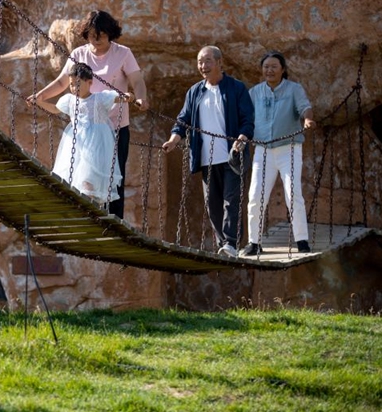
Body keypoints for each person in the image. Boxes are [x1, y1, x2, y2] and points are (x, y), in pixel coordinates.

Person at [28, 10, 149, 218]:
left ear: (110, 34)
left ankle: (113, 221)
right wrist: (39, 96)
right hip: (85, 129)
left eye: (101, 35)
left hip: (115, 125)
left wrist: (141, 98)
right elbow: (62, 82)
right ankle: (85, 216)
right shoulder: (79, 54)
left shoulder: (123, 53)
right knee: (82, 172)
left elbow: (137, 80)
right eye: (92, 35)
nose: (96, 39)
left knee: (113, 174)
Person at [161, 46, 254, 257]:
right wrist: (173, 140)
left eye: (207, 61)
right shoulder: (194, 92)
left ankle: (231, 243)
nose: (203, 66)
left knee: (231, 201)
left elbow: (247, 119)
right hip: (206, 159)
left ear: (220, 62)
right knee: (212, 205)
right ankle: (224, 245)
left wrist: (242, 137)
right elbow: (183, 120)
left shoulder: (236, 88)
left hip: (232, 156)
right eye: (200, 62)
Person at [242, 51, 316, 256]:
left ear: (283, 69)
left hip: (288, 148)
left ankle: (302, 240)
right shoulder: (255, 92)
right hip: (262, 150)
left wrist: (308, 119)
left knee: (293, 194)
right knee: (255, 195)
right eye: (266, 67)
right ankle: (254, 242)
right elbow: (246, 117)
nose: (270, 70)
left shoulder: (294, 89)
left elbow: (305, 107)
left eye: (274, 66)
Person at [36, 62, 131, 205]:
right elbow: (55, 109)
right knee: (74, 177)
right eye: (71, 85)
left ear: (90, 82)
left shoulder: (100, 99)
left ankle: (90, 205)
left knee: (89, 179)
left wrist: (129, 96)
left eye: (78, 84)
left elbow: (120, 98)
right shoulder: (69, 100)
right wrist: (39, 102)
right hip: (76, 145)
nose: (74, 88)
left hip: (96, 146)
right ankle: (80, 205)